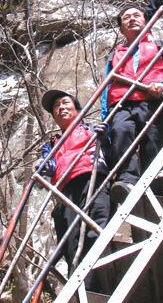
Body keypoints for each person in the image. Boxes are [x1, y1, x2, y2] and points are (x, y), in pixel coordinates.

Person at [102, 5, 163, 203]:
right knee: (121, 133)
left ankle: (153, 187)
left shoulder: (161, 45)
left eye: (137, 15)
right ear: (121, 29)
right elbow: (106, 87)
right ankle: (127, 182)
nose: (131, 19)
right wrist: (105, 119)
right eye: (126, 17)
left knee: (152, 142)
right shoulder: (114, 54)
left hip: (152, 103)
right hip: (122, 105)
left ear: (147, 22)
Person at [35, 89, 110, 291]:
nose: (61, 108)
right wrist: (43, 166)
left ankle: (99, 287)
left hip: (93, 179)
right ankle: (83, 291)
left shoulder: (93, 130)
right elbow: (48, 165)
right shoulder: (51, 144)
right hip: (65, 192)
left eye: (65, 103)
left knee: (97, 230)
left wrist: (106, 137)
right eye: (56, 107)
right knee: (71, 244)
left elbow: (112, 151)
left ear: (78, 110)